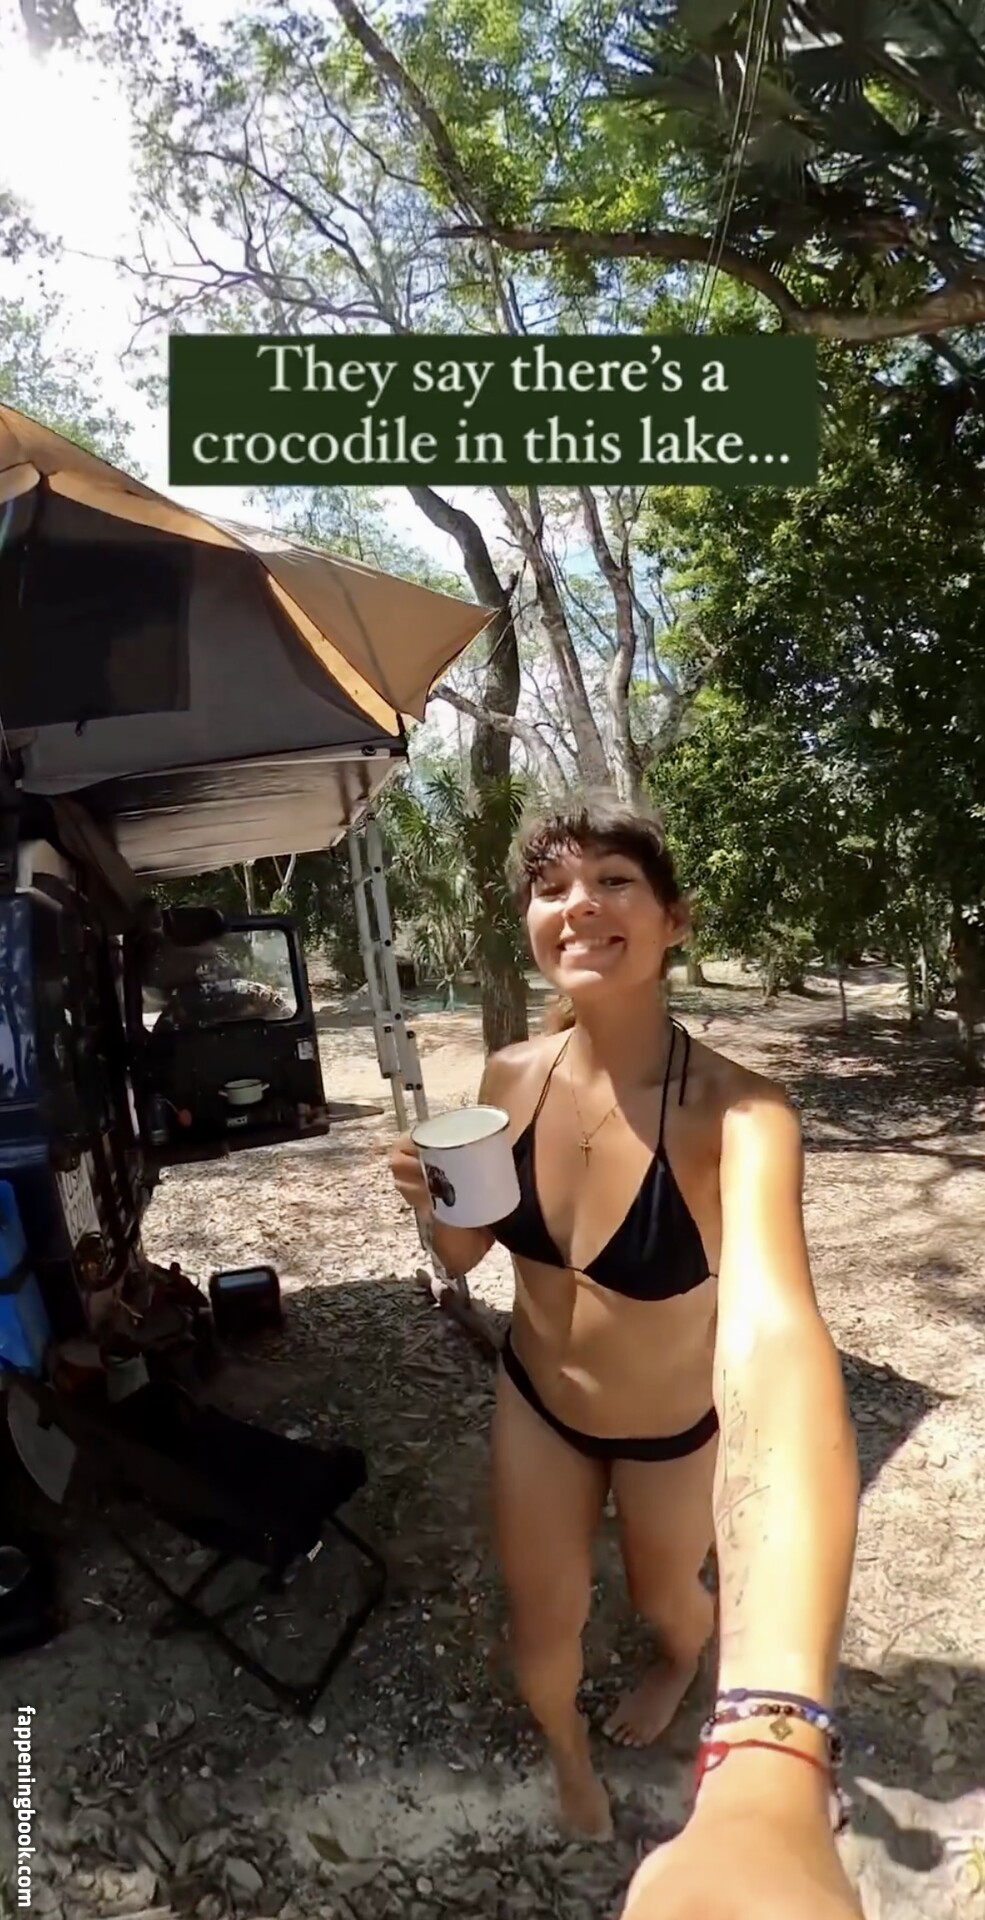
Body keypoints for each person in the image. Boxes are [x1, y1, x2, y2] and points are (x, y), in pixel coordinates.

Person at [390, 796, 862, 1916]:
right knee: (541, 1622)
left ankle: (681, 1669)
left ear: (671, 920)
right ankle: (568, 1757)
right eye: (552, 887)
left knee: (668, 1598)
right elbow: (463, 1254)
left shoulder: (742, 1116)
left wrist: (779, 1741)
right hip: (537, 1400)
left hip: (670, 1429)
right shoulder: (510, 1075)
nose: (579, 906)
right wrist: (429, 1199)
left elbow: (775, 1343)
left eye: (613, 882)